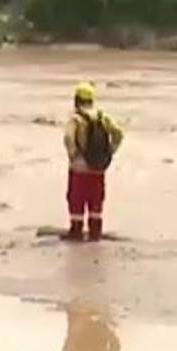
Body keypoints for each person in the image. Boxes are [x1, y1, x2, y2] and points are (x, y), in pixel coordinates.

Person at [62, 83, 124, 242]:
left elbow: (68, 137)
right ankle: (95, 231)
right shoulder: (102, 117)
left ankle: (76, 230)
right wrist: (110, 151)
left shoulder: (75, 118)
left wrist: (73, 154)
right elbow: (118, 133)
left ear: (76, 99)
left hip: (79, 166)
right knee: (96, 198)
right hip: (99, 166)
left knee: (76, 198)